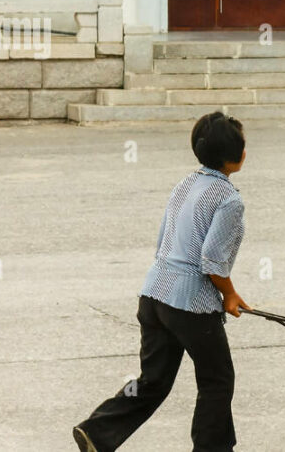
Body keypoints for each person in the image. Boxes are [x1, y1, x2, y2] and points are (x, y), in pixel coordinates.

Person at [73, 111, 252, 452]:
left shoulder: (185, 184)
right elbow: (212, 260)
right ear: (238, 156)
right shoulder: (229, 200)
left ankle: (97, 431)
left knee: (153, 381)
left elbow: (163, 242)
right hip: (190, 305)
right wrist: (229, 294)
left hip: (154, 294)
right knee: (217, 380)